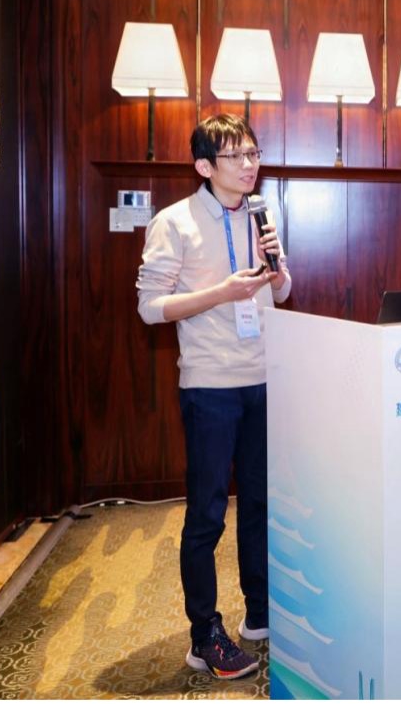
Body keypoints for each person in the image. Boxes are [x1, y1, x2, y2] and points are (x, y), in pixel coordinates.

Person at [136, 114, 292, 680]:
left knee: (259, 503)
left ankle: (260, 611)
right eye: (236, 156)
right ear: (205, 166)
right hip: (209, 386)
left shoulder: (262, 214)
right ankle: (203, 636)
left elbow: (283, 290)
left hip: (262, 378)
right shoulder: (173, 222)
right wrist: (219, 293)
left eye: (254, 153)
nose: (250, 165)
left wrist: (277, 273)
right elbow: (150, 308)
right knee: (206, 514)